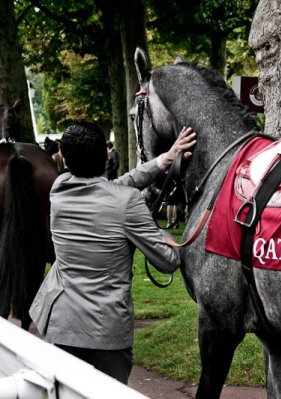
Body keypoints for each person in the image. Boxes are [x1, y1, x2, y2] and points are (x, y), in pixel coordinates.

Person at [29, 121, 197, 384]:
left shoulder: (59, 187)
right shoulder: (127, 202)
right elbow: (168, 260)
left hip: (60, 324)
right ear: (107, 155)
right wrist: (163, 234)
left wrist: (162, 161)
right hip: (104, 333)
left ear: (63, 158)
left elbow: (110, 188)